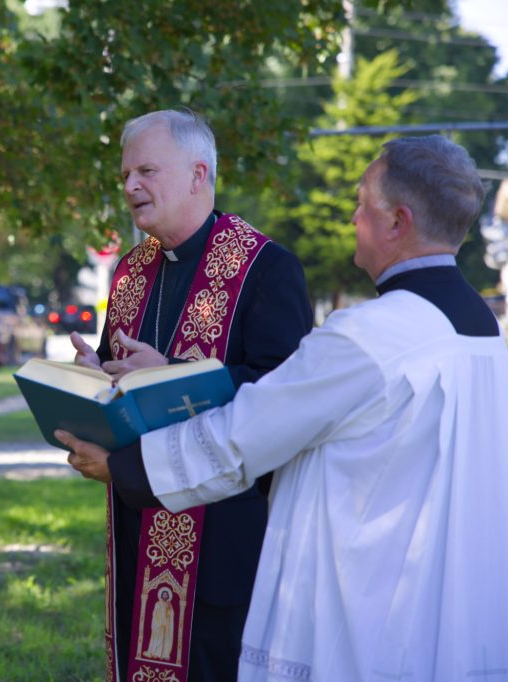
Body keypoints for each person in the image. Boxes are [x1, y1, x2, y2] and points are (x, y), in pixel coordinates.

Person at [61, 135, 508, 681]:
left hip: (371, 623)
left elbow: (242, 437)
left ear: (399, 222)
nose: (354, 219)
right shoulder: (492, 345)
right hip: (462, 621)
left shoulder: (367, 338)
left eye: (363, 204)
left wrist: (122, 468)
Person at [69, 109, 313, 681]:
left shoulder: (265, 268)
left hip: (223, 533)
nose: (131, 186)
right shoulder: (129, 274)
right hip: (136, 520)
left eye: (147, 170)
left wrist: (171, 374)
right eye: (126, 174)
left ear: (198, 174)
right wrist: (91, 379)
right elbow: (118, 375)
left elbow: (286, 393)